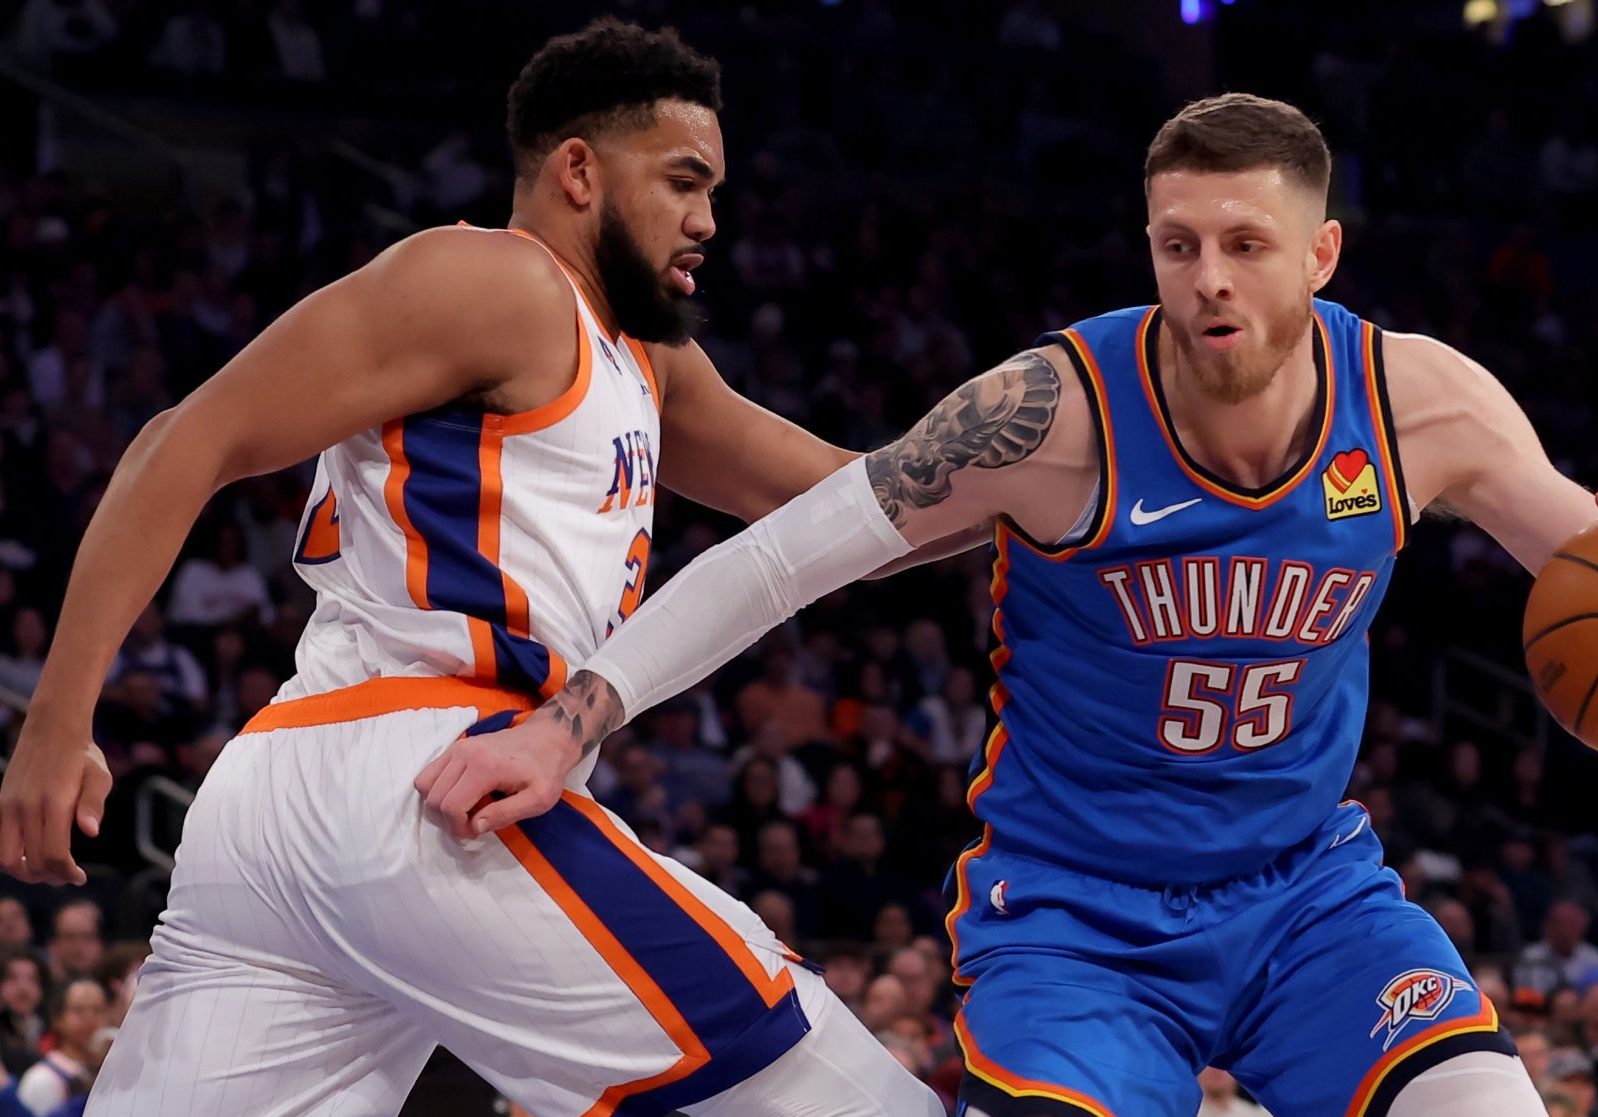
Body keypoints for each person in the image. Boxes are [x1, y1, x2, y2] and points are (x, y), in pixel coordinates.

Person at [421, 94, 1598, 1116]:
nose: (1207, 278)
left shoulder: (1421, 403)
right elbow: (784, 557)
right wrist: (569, 722)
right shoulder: (1043, 417)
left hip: (1304, 893)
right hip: (1077, 913)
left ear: (1320, 254)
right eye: (1177, 243)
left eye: (1245, 243)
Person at [0, 17, 941, 1117]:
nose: (707, 222)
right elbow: (187, 439)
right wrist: (58, 721)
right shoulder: (496, 279)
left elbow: (851, 502)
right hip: (423, 773)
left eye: (717, 192)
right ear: (578, 171)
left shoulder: (646, 361)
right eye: (685, 182)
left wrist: (1069, 486)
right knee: (849, 1098)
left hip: (290, 803)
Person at [12, 979, 105, 1117]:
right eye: (79, 1010)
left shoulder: (109, 1072)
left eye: (97, 1010)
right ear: (57, 1018)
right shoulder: (42, 1079)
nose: (90, 1018)